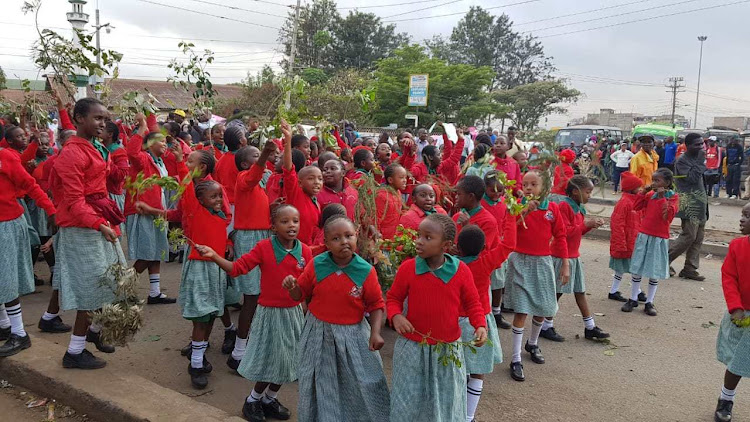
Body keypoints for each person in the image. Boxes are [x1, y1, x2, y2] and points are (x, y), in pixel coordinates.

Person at [197, 204, 312, 422]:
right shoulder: (264, 248)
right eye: (284, 221)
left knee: (289, 361)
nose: (291, 225)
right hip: (271, 315)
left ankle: (269, 398)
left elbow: (307, 286)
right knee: (272, 362)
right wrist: (213, 255)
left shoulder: (305, 251)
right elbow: (237, 268)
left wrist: (303, 302)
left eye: (295, 221)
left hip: (294, 314)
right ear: (273, 227)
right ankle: (253, 400)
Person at [283, 216, 390, 422]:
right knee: (321, 382)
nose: (344, 241)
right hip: (319, 333)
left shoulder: (365, 271)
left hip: (353, 336)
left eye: (348, 236)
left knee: (362, 381)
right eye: (336, 238)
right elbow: (300, 295)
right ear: (327, 243)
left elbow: (376, 304)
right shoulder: (317, 265)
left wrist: (375, 332)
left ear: (356, 236)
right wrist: (293, 287)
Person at [49, 98, 128, 369]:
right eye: (97, 118)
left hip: (96, 223)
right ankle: (74, 352)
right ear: (79, 119)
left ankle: (93, 333)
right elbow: (73, 200)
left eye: (105, 119)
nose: (102, 124)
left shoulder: (95, 147)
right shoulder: (72, 154)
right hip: (83, 228)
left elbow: (103, 182)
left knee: (107, 283)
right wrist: (100, 225)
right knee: (91, 289)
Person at [386, 214, 487, 422]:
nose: (419, 241)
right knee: (408, 400)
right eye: (419, 235)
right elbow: (393, 298)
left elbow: (473, 303)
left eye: (428, 237)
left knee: (445, 401)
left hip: (446, 349)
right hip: (412, 349)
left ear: (446, 245)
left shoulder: (460, 272)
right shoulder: (408, 268)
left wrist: (480, 325)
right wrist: (395, 316)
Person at [505, 170, 569, 382]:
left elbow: (560, 235)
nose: (529, 188)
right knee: (522, 310)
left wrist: (565, 264)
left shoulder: (552, 209)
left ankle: (532, 343)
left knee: (543, 308)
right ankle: (515, 359)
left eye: (534, 184)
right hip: (521, 260)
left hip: (543, 262)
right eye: (526, 184)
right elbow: (509, 228)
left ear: (545, 188)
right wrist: (523, 211)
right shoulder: (517, 206)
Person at [456, 220, 516, 422]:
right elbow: (508, 245)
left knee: (457, 370)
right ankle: (469, 416)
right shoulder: (485, 262)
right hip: (478, 324)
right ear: (483, 248)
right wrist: (512, 218)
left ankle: (455, 411)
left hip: (454, 323)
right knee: (478, 371)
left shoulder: (450, 264)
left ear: (457, 247)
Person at [0, 143, 56, 357]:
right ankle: (4, 324)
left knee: (6, 278)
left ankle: (20, 333)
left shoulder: (6, 157)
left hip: (5, 225)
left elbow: (30, 184)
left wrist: (51, 210)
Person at [177, 180, 231, 388]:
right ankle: (196, 364)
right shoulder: (196, 212)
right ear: (199, 200)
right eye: (214, 196)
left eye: (220, 195)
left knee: (210, 316)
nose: (219, 200)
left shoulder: (220, 216)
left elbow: (225, 216)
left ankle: (198, 354)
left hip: (215, 269)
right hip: (200, 269)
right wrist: (182, 162)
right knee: (201, 318)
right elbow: (187, 191)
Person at [542, 175, 609, 343]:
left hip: (573, 256)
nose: (589, 195)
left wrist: (589, 226)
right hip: (561, 255)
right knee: (557, 293)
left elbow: (577, 232)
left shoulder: (578, 208)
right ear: (575, 192)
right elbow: (563, 232)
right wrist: (585, 225)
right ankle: (545, 325)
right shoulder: (565, 206)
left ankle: (590, 326)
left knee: (580, 291)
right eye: (587, 192)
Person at [227, 142, 276, 370]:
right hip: (248, 239)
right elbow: (255, 174)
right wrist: (265, 153)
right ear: (246, 164)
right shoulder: (244, 178)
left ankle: (244, 346)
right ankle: (238, 352)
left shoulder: (260, 185)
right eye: (255, 156)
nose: (262, 161)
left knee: (257, 295)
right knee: (251, 296)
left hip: (261, 236)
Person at [125, 114, 176, 305]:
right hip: (143, 211)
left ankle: (154, 292)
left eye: (165, 141)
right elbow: (131, 152)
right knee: (147, 253)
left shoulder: (159, 162)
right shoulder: (143, 159)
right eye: (161, 141)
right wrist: (142, 127)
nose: (165, 144)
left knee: (157, 252)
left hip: (156, 211)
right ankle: (124, 287)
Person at [622, 168, 679, 316]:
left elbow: (667, 217)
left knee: (653, 270)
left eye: (657, 180)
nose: (654, 183)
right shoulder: (649, 195)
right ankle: (633, 298)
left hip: (659, 237)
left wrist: (661, 198)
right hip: (644, 235)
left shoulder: (673, 198)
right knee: (637, 267)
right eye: (653, 180)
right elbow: (636, 207)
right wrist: (642, 192)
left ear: (667, 183)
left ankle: (649, 302)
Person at [713, 202, 750, 422]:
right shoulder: (737, 246)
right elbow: (729, 277)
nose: (741, 219)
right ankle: (725, 399)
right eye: (742, 215)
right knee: (738, 360)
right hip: (742, 315)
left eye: (747, 216)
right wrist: (735, 307)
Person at [669, 133, 709, 281]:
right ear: (687, 145)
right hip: (689, 204)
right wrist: (700, 162)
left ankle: (690, 268)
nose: (700, 147)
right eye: (696, 144)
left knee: (698, 238)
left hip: (700, 203)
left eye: (701, 144)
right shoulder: (682, 161)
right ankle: (664, 261)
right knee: (689, 236)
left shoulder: (697, 159)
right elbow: (692, 179)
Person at [608, 172, 647, 303]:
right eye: (638, 187)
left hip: (631, 241)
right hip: (628, 241)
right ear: (632, 188)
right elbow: (617, 224)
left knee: (624, 268)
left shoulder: (631, 201)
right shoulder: (625, 202)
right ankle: (636, 292)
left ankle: (615, 290)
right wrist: (620, 242)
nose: (640, 189)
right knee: (632, 268)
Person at [281, 120, 322, 245]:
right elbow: (288, 170)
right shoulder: (296, 194)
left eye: (320, 179)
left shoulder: (316, 203)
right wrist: (288, 140)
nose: (316, 182)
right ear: (299, 183)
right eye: (311, 178)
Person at [482, 171, 512, 330]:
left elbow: (507, 223)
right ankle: (483, 313)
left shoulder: (504, 204)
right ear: (485, 188)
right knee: (484, 282)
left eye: (500, 190)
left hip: (498, 248)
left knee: (499, 283)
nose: (496, 193)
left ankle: (496, 312)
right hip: (484, 250)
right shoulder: (480, 204)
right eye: (492, 190)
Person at [375, 164, 408, 239]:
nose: (405, 180)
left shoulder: (398, 192)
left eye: (405, 177)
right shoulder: (381, 196)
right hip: (383, 238)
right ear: (390, 180)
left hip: (393, 236)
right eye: (401, 178)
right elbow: (376, 219)